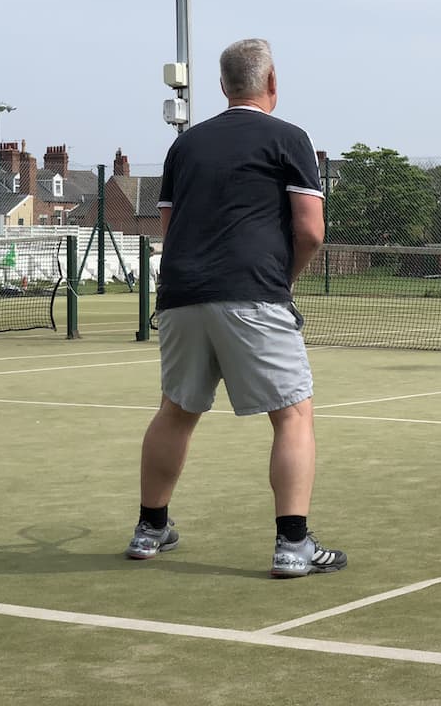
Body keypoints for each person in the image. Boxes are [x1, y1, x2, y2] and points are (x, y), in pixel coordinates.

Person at [125, 38, 347, 578]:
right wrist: (281, 282)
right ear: (272, 82)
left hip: (180, 296)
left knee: (175, 411)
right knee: (293, 416)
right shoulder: (290, 139)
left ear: (223, 87)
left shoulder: (184, 147)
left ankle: (150, 529)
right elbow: (312, 231)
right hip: (254, 293)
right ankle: (293, 546)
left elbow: (169, 232)